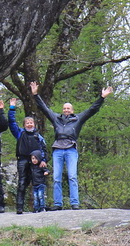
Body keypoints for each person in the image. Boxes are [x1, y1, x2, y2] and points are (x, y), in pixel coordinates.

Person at [30, 82, 114, 210]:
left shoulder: (78, 119)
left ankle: (75, 203)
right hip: (58, 149)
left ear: (72, 110)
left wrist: (102, 97)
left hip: (71, 149)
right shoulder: (56, 118)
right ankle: (58, 204)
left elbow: (92, 110)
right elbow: (44, 108)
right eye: (64, 108)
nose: (66, 110)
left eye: (68, 108)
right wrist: (36, 94)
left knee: (72, 176)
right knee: (56, 178)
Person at [7, 98, 47, 215]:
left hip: (36, 162)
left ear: (34, 124)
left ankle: (39, 206)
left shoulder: (38, 136)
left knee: (38, 184)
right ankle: (20, 207)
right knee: (22, 183)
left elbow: (44, 149)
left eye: (31, 123)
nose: (29, 124)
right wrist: (12, 108)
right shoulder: (20, 133)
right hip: (23, 160)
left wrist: (43, 160)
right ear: (24, 125)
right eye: (27, 123)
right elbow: (12, 122)